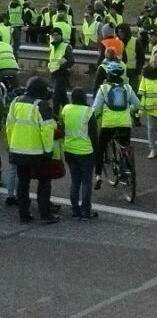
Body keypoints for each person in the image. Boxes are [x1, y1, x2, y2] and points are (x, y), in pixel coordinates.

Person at [6, 77, 60, 223]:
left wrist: (12, 145)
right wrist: (48, 150)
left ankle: (24, 214)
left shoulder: (15, 102)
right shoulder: (40, 105)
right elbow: (47, 130)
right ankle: (45, 214)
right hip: (36, 152)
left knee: (23, 182)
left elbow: (9, 126)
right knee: (44, 181)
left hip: (17, 150)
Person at [92, 61, 141, 191]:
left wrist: (96, 116)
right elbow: (137, 105)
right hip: (125, 123)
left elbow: (96, 108)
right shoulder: (127, 88)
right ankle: (126, 170)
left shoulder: (104, 88)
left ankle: (98, 175)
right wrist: (129, 110)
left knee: (100, 147)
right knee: (125, 145)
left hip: (108, 124)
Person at [60, 88, 99, 220]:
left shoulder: (66, 109)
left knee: (75, 181)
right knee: (86, 182)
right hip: (85, 151)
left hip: (70, 149)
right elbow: (93, 135)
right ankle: (85, 211)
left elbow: (62, 127)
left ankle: (75, 210)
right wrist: (97, 153)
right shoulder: (88, 112)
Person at [138, 53, 157, 159]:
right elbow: (142, 91)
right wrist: (140, 107)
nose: (154, 64)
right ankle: (152, 149)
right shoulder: (146, 73)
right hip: (150, 107)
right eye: (153, 61)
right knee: (150, 129)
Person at [47, 26, 73, 114]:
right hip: (54, 75)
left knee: (56, 97)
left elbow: (71, 61)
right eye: (53, 35)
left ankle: (55, 116)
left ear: (61, 35)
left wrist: (61, 68)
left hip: (62, 75)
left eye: (56, 34)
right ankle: (70, 113)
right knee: (63, 97)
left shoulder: (66, 47)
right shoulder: (53, 47)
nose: (55, 37)